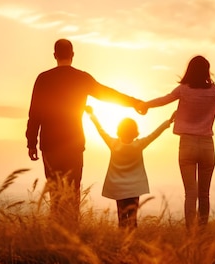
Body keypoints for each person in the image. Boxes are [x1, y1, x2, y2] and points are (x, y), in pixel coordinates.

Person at [26, 39, 144, 226]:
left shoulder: (43, 78)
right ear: (72, 55)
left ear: (55, 55)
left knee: (55, 193)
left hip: (49, 144)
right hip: (73, 144)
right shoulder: (81, 78)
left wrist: (31, 142)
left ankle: (57, 234)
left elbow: (34, 113)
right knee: (73, 192)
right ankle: (72, 234)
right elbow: (107, 94)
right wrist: (134, 102)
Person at [141, 55, 215, 230]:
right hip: (207, 146)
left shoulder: (183, 89)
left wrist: (144, 105)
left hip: (186, 144)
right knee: (204, 194)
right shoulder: (213, 90)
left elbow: (163, 100)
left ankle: (191, 234)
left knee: (190, 194)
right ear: (206, 71)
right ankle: (202, 232)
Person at [85, 106, 175, 229]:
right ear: (135, 131)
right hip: (134, 188)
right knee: (133, 220)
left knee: (121, 220)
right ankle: (132, 245)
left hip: (118, 188)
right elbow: (155, 134)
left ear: (119, 130)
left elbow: (100, 130)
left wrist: (92, 115)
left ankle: (122, 246)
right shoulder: (139, 144)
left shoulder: (113, 144)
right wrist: (168, 122)